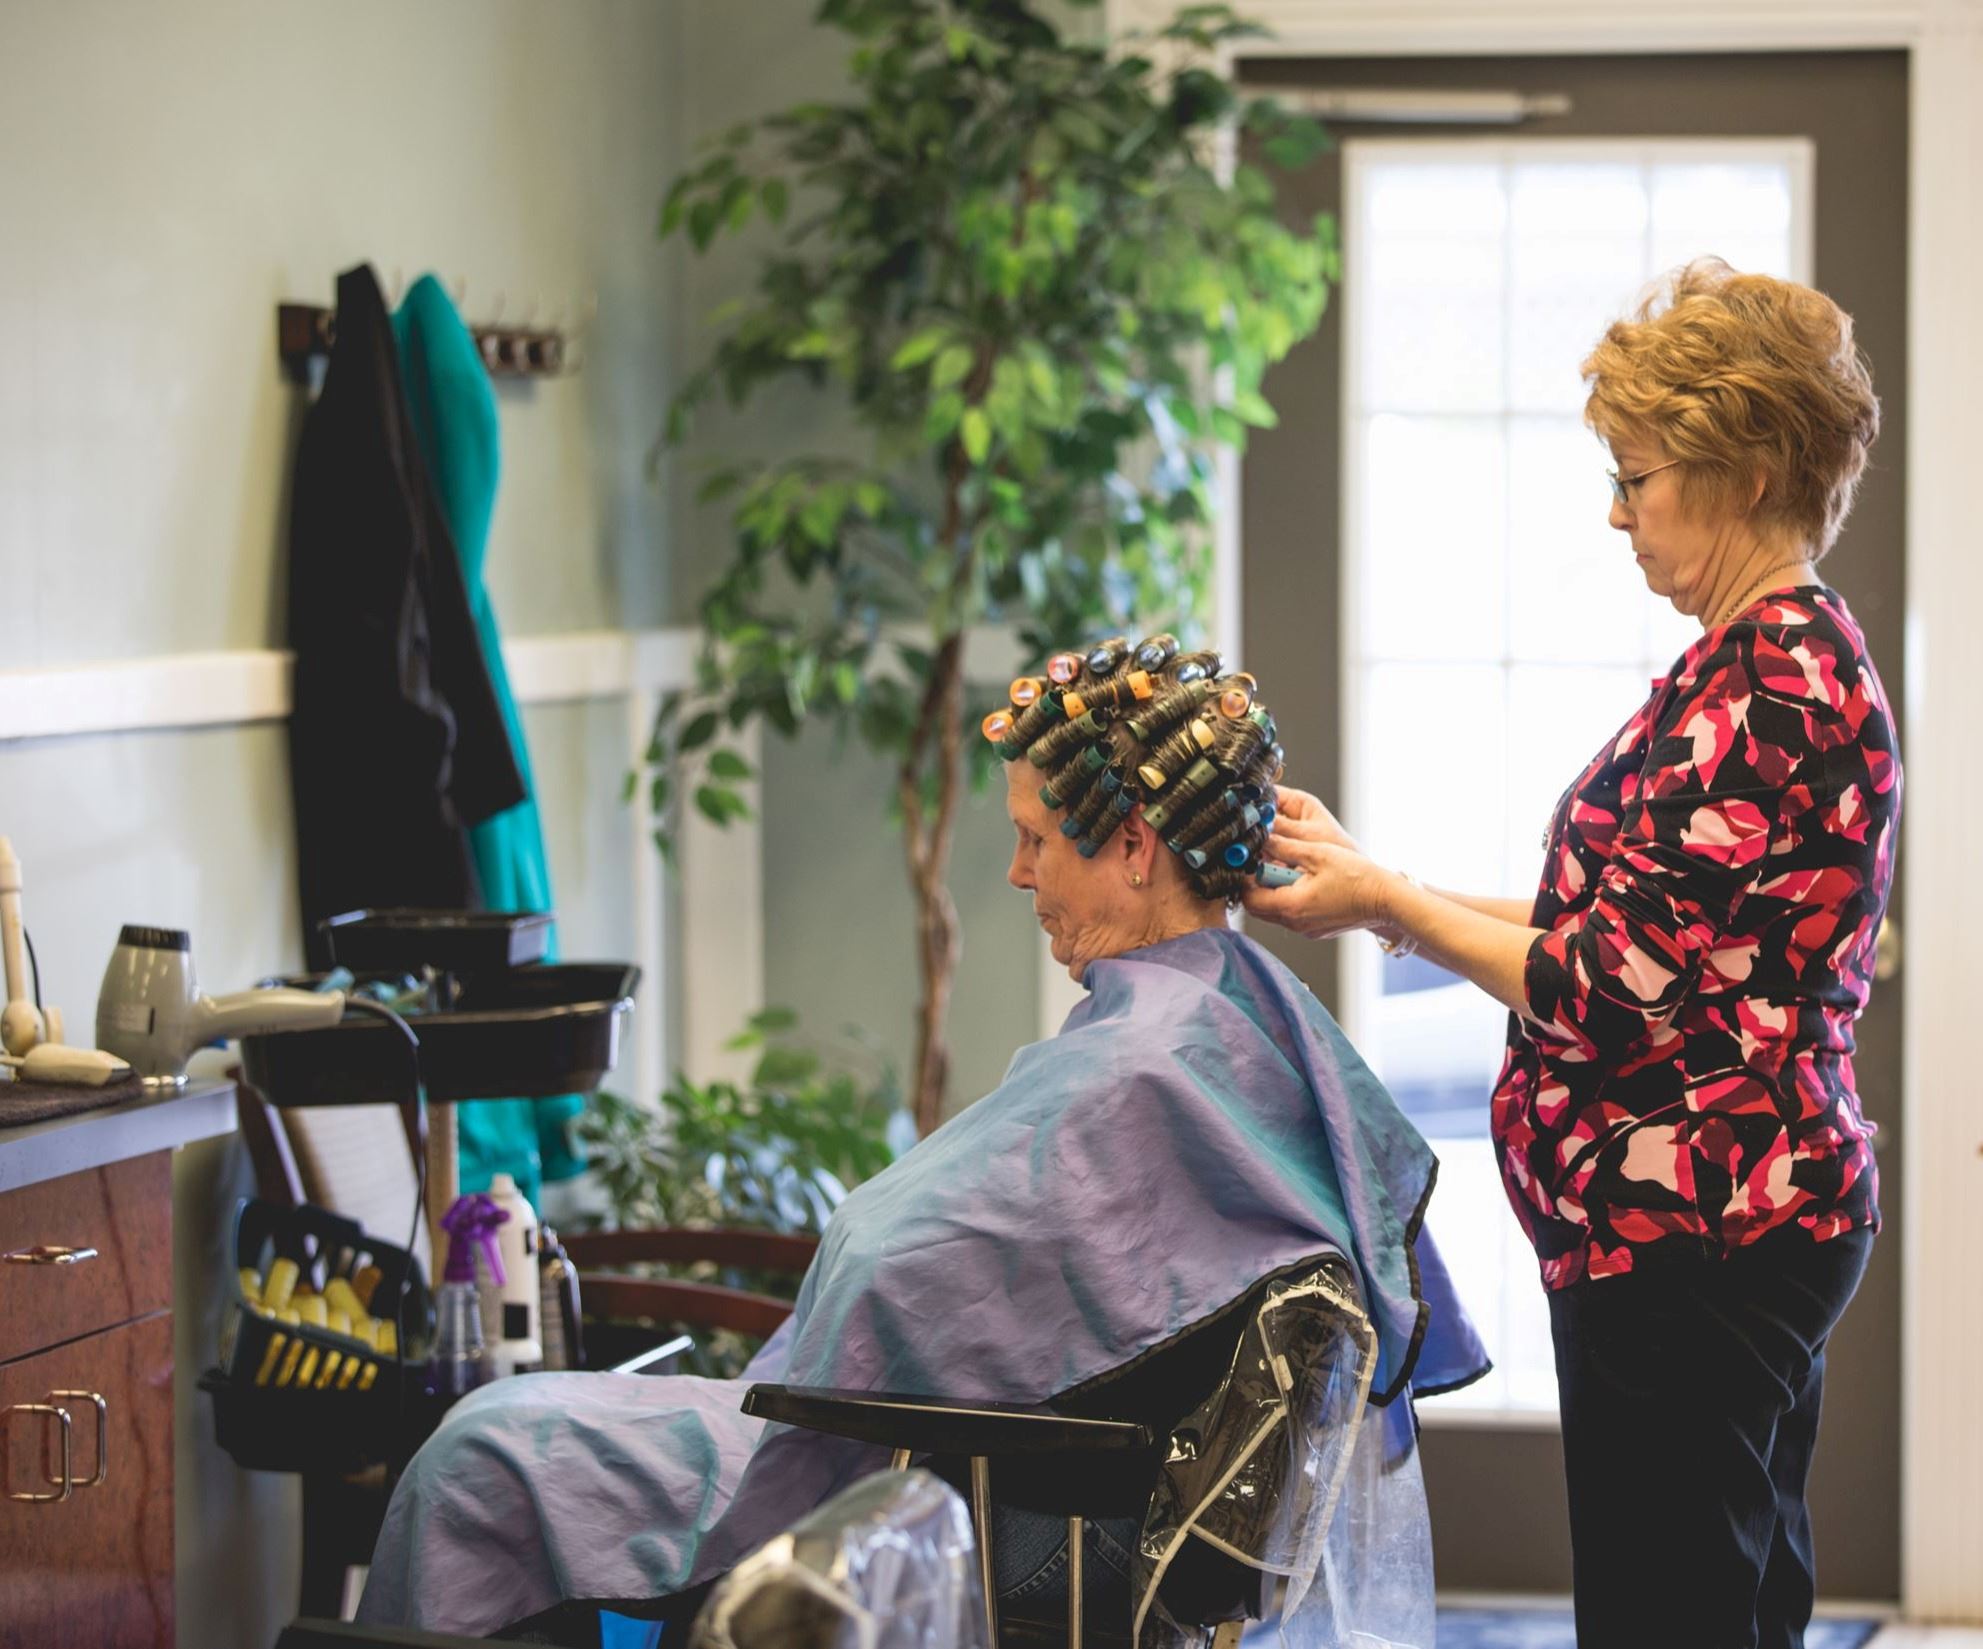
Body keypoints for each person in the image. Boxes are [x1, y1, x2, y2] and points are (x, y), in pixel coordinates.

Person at [359, 636, 1487, 1643]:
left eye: (1037, 838)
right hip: (945, 1446)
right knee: (507, 1428)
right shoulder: (1229, 1025)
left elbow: (902, 1274)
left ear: (1137, 844)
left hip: (884, 1467)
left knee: (483, 1451)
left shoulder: (1147, 1058)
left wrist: (859, 1249)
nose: (1017, 873)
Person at [1244, 259, 1898, 1649]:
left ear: (1743, 466)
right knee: (1724, 1601)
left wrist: (1389, 904)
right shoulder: (1754, 663)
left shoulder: (1770, 687)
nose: (1615, 512)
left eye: (1637, 475)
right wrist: (1381, 889)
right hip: (1711, 1222)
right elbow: (1617, 933)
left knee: (1675, 1618)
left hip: (1703, 1235)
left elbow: (1603, 990)